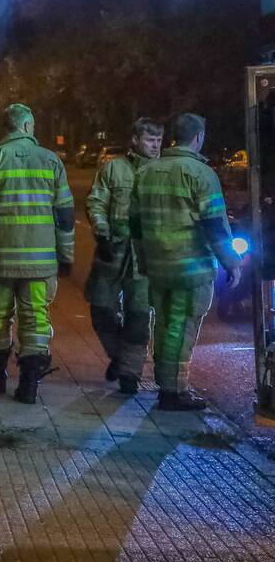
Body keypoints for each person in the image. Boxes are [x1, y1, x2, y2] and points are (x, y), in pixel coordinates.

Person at [131, 113, 242, 411]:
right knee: (182, 325)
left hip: (157, 265)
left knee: (165, 323)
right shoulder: (202, 174)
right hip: (190, 266)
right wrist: (232, 262)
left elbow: (135, 225)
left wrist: (143, 261)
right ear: (198, 137)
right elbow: (215, 226)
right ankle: (174, 391)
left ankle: (164, 384)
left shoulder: (146, 172)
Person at [0, 104, 75, 404]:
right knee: (36, 318)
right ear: (27, 126)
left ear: (7, 128)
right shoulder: (52, 160)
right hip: (41, 263)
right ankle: (29, 384)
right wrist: (65, 255)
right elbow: (65, 215)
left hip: (1, 260)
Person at [84, 118, 164, 395]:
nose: (155, 146)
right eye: (150, 140)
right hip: (113, 250)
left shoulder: (163, 171)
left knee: (139, 316)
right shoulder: (114, 167)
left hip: (146, 256)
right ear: (135, 140)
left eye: (158, 141)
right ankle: (118, 356)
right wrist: (102, 232)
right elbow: (96, 201)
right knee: (101, 308)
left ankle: (130, 375)